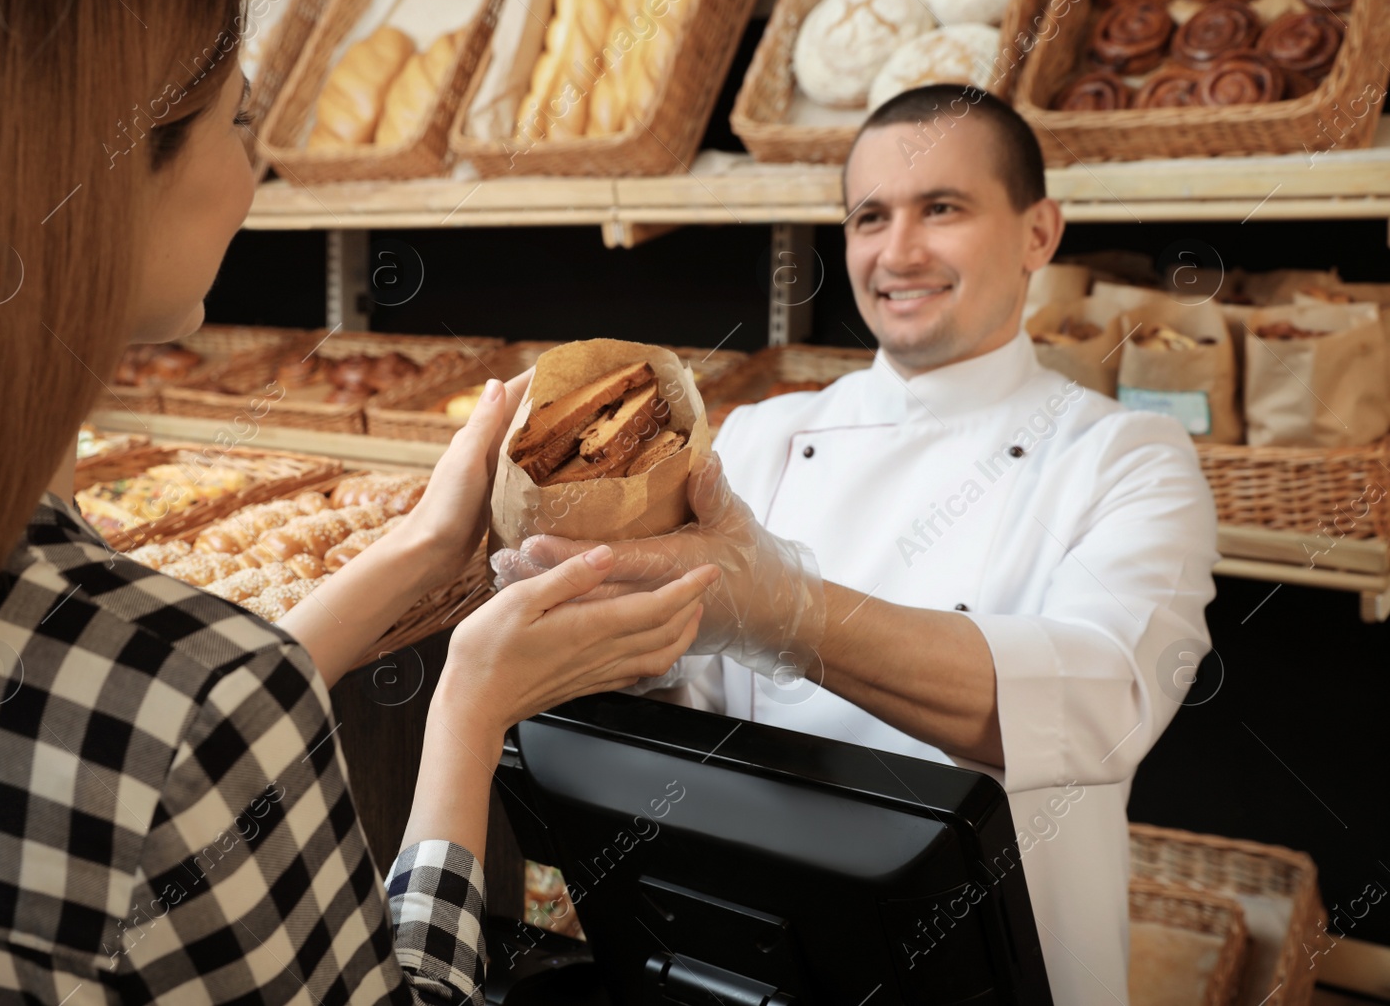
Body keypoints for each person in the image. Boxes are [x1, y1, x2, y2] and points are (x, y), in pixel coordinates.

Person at [0, 0, 719, 1001]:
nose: (253, 164)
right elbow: (203, 732)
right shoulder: (200, 698)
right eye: (238, 117)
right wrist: (469, 707)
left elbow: (153, 725)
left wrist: (421, 544)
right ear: (99, 185)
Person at [495, 84, 1220, 1002]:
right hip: (764, 960)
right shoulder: (758, 435)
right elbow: (694, 700)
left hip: (1008, 967)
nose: (898, 251)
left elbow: (1098, 700)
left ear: (1039, 232)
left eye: (942, 209)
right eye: (869, 217)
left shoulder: (1126, 456)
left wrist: (788, 610)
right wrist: (621, 640)